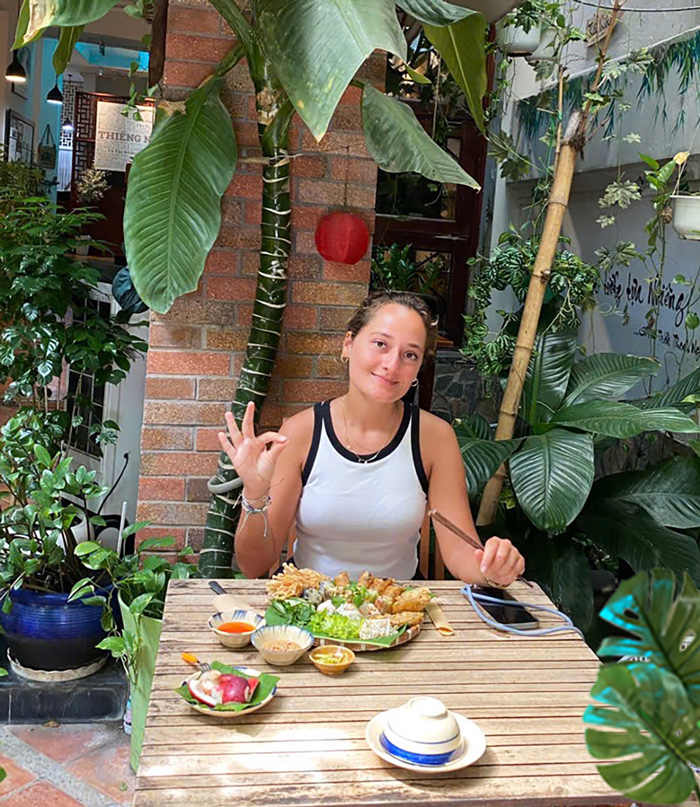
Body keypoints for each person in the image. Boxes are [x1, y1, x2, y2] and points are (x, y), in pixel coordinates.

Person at [219, 290, 525, 586]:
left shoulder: (434, 438)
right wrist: (255, 495)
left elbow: (461, 553)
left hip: (398, 614)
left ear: (418, 368)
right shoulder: (301, 433)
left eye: (410, 354)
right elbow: (254, 565)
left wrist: (492, 567)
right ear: (348, 344)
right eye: (380, 344)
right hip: (308, 612)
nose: (392, 365)